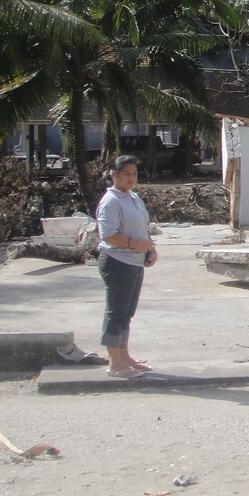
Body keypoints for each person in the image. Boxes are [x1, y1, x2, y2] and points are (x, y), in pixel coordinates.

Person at [95, 155, 158, 377]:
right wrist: (133, 244)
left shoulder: (133, 198)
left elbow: (143, 226)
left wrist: (150, 248)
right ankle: (115, 362)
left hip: (135, 261)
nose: (131, 178)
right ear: (114, 175)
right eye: (126, 174)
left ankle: (125, 356)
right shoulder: (110, 201)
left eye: (134, 174)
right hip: (117, 261)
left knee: (126, 312)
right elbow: (108, 235)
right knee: (116, 311)